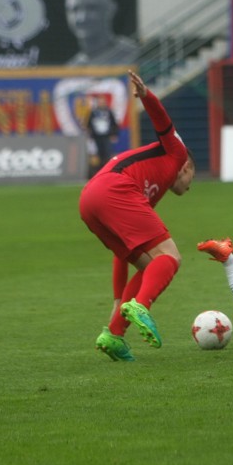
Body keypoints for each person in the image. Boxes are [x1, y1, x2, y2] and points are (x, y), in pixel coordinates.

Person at [80, 71, 196, 361]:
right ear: (187, 167)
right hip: (114, 188)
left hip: (90, 199)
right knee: (171, 257)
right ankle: (142, 305)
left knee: (149, 267)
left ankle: (114, 335)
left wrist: (119, 298)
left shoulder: (149, 187)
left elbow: (122, 254)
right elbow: (163, 124)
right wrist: (147, 96)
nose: (188, 187)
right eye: (191, 179)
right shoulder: (177, 153)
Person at [64, 0, 139, 66]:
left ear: (111, 9)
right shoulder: (72, 68)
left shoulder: (132, 55)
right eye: (74, 9)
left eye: (91, 8)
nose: (81, 18)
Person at [86, 94, 120, 175]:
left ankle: (108, 171)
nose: (101, 103)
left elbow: (114, 124)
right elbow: (89, 124)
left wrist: (114, 134)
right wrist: (90, 135)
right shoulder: (93, 112)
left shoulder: (108, 112)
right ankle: (101, 172)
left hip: (106, 136)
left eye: (102, 102)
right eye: (100, 102)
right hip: (97, 137)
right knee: (99, 154)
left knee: (107, 153)